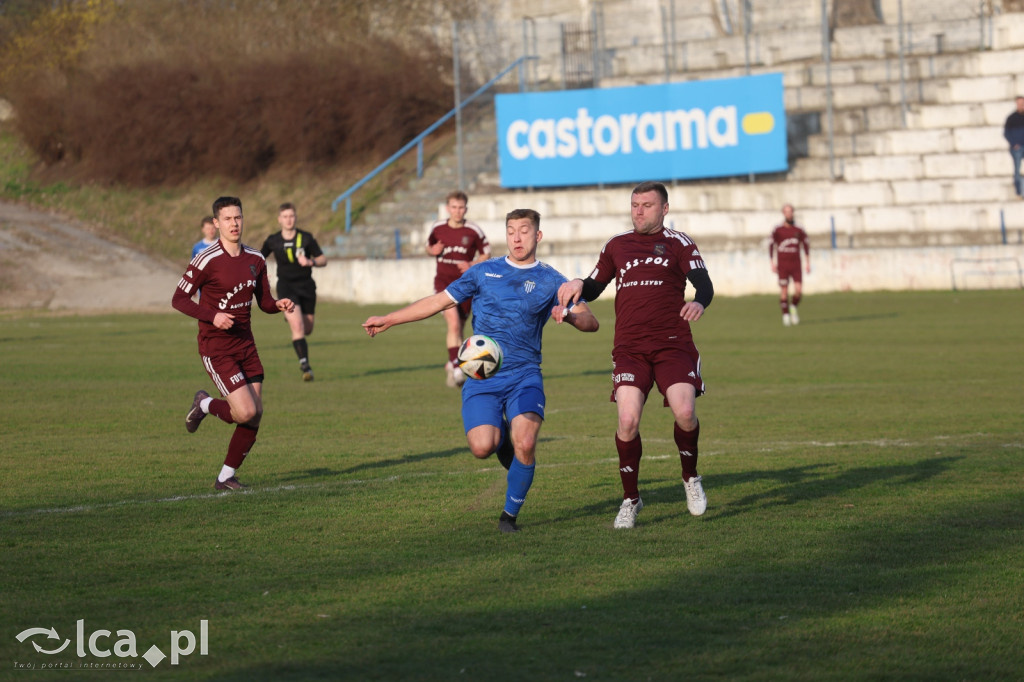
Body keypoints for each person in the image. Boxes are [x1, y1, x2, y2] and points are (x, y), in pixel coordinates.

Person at [364, 208, 598, 533]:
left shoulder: (553, 280)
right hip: (482, 374)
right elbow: (437, 302)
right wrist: (389, 319)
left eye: (525, 231)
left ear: (538, 236)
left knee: (526, 443)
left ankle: (509, 517)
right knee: (481, 447)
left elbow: (591, 321)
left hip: (525, 374)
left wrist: (570, 316)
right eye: (512, 231)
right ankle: (503, 439)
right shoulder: (483, 272)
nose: (517, 237)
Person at [557, 181, 713, 530]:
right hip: (629, 347)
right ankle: (631, 499)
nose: (638, 211)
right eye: (634, 205)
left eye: (646, 205)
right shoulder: (616, 245)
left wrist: (699, 301)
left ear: (664, 209)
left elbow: (703, 282)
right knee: (627, 421)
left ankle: (690, 477)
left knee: (685, 412)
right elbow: (595, 286)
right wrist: (578, 286)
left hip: (673, 343)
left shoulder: (679, 242)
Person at [172, 196, 294, 491]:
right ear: (216, 223)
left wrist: (277, 304)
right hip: (217, 347)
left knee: (256, 413)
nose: (234, 224)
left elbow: (263, 302)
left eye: (238, 217)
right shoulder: (206, 259)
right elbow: (179, 299)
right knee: (245, 412)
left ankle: (225, 477)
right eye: (227, 219)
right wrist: (212, 316)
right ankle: (204, 403)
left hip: (246, 345)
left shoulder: (256, 259)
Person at [425, 190, 491, 388]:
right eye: (454, 207)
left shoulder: (473, 230)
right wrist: (432, 251)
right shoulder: (438, 228)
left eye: (461, 207)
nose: (457, 211)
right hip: (443, 284)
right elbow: (429, 246)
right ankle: (456, 367)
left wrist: (472, 264)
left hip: (466, 286)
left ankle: (451, 364)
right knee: (453, 324)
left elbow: (486, 253)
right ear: (448, 208)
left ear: (466, 209)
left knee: (459, 329)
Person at [260, 202, 327, 381]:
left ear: (295, 218)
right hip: (286, 287)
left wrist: (310, 262)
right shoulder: (273, 240)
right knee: (297, 327)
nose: (289, 220)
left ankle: (292, 317)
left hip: (306, 287)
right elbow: (258, 259)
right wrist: (259, 276)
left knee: (307, 329)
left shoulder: (306, 238)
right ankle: (305, 366)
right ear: (279, 219)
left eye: (292, 216)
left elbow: (322, 259)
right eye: (285, 216)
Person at [769, 203, 810, 326]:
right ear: (783, 213)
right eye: (786, 212)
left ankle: (793, 307)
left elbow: (806, 245)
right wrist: (772, 262)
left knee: (798, 290)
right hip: (783, 265)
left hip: (796, 264)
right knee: (784, 291)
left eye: (790, 211)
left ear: (793, 213)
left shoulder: (799, 229)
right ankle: (786, 315)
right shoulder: (778, 229)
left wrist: (808, 262)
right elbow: (771, 245)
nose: (789, 214)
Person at [1004, 96, 1024, 199]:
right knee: (1017, 171)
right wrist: (1014, 143)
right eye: (1019, 103)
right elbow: (1006, 133)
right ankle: (1019, 192)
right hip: (1017, 148)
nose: (1021, 105)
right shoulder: (1011, 118)